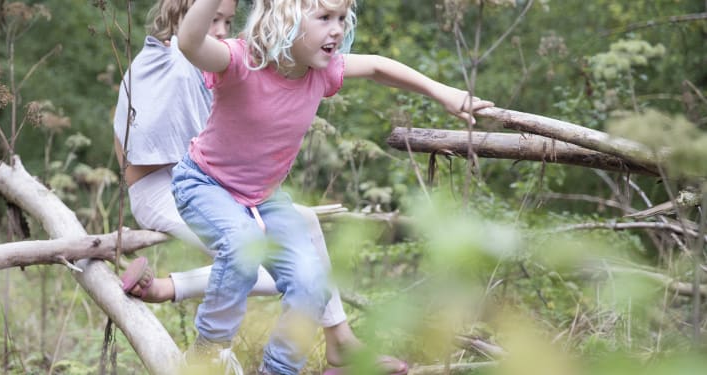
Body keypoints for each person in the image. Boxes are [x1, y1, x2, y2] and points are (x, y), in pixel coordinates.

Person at [169, 0, 494, 373]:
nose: (337, 29)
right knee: (243, 247)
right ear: (283, 21)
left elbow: (376, 66)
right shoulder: (242, 62)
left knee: (312, 283)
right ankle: (209, 351)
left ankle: (279, 369)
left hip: (264, 199)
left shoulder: (321, 72)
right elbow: (190, 42)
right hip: (205, 184)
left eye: (341, 18)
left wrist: (442, 92)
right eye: (324, 18)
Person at [112, 0, 409, 373]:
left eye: (227, 20)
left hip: (233, 188)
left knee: (305, 242)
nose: (222, 29)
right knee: (250, 254)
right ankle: (170, 290)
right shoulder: (171, 61)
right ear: (180, 18)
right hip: (171, 186)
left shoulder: (266, 62)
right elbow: (145, 140)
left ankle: (340, 342)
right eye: (213, 20)